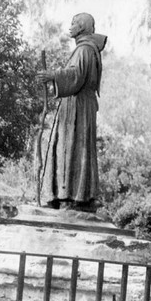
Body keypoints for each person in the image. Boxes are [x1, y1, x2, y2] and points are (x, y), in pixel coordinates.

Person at [36, 13, 107, 212]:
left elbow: (77, 76)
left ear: (83, 27)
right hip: (80, 106)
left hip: (77, 108)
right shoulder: (86, 49)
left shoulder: (84, 50)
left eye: (75, 23)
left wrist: (53, 75)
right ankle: (74, 196)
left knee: (71, 148)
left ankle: (69, 195)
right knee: (75, 149)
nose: (71, 26)